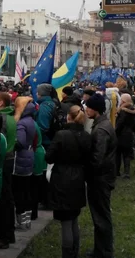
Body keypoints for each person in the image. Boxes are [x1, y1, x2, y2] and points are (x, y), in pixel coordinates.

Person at [46, 106, 91, 258]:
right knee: (74, 217)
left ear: (68, 117)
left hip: (62, 178)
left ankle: (67, 254)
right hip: (78, 177)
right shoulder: (85, 135)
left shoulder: (61, 135)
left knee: (66, 220)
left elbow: (49, 157)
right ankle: (75, 252)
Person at [84, 94, 117, 258]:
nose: (85, 109)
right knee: (100, 216)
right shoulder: (103, 124)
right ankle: (100, 250)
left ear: (95, 109)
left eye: (88, 107)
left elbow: (97, 159)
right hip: (103, 177)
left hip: (100, 179)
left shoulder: (101, 130)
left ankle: (104, 252)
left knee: (101, 216)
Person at [0, 91, 16, 249]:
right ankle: (9, 234)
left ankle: (3, 236)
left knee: (2, 201)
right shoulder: (12, 118)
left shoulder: (1, 119)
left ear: (1, 103)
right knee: (8, 198)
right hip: (10, 159)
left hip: (3, 162)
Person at [12, 96, 36, 230]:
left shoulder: (21, 123)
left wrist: (11, 145)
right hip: (29, 155)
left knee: (19, 191)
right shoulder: (31, 120)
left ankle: (20, 221)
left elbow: (20, 141)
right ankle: (26, 220)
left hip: (20, 159)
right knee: (26, 190)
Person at [114, 94, 135, 178]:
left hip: (121, 134)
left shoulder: (123, 111)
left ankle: (116, 171)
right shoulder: (133, 110)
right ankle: (126, 172)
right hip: (129, 133)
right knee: (127, 155)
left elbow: (120, 123)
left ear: (123, 101)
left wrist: (115, 131)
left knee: (118, 154)